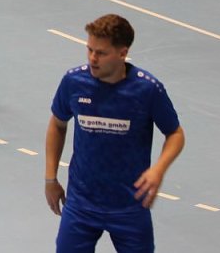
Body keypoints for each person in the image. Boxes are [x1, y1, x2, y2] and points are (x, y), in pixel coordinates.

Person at [45, 14, 185, 252]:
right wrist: (51, 178)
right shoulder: (74, 82)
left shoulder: (147, 89)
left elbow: (175, 134)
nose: (92, 58)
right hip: (81, 205)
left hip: (130, 206)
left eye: (101, 53)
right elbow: (57, 124)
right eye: (90, 49)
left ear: (122, 53)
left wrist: (158, 170)